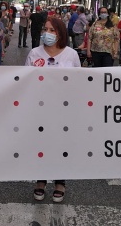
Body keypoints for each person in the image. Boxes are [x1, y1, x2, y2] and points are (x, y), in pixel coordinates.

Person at [25, 17, 80, 203]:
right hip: (39, 109)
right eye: (45, 29)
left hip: (63, 110)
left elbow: (78, 82)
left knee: (60, 145)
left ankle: (60, 182)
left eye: (52, 30)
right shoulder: (34, 53)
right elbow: (24, 81)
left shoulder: (71, 55)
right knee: (41, 144)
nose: (47, 33)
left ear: (60, 33)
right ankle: (40, 181)